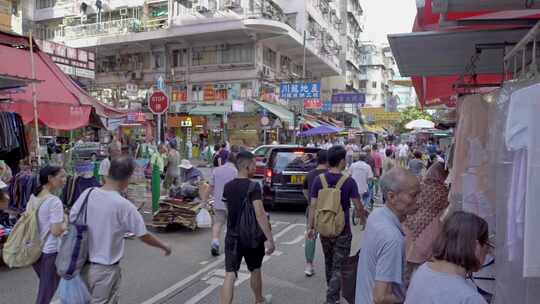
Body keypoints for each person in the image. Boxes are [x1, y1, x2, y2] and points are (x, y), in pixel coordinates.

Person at [71, 156, 171, 304]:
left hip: (79, 264)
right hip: (105, 270)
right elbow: (143, 235)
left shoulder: (88, 193)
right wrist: (164, 246)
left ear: (108, 173)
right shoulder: (123, 205)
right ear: (127, 179)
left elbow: (72, 219)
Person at [308, 146, 366, 304]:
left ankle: (332, 292)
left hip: (324, 228)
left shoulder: (318, 180)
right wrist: (363, 220)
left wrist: (311, 228)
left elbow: (313, 205)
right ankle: (332, 298)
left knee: (329, 262)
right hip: (343, 230)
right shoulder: (348, 181)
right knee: (339, 266)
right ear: (341, 161)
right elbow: (358, 205)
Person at [355, 168, 421, 304]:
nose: (419, 201)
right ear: (391, 197)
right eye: (413, 195)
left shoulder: (377, 215)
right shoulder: (392, 238)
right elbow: (381, 297)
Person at [220, 151, 274, 304]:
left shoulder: (228, 186)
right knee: (255, 269)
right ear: (246, 166)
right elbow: (260, 214)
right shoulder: (254, 186)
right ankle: (259, 300)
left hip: (232, 236)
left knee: (230, 273)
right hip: (251, 237)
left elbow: (228, 211)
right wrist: (269, 239)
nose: (255, 168)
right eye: (254, 164)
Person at [404, 212, 491, 304]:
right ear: (476, 247)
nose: (488, 252)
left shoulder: (423, 270)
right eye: (488, 245)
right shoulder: (470, 298)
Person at [403, 162, 449, 286]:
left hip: (410, 226)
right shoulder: (443, 191)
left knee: (404, 268)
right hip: (430, 231)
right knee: (421, 272)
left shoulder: (418, 186)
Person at [29, 166, 67, 304]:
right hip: (50, 252)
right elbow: (56, 231)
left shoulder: (34, 196)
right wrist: (66, 223)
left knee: (46, 288)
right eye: (61, 176)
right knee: (45, 295)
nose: (65, 180)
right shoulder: (54, 201)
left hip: (35, 250)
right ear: (50, 178)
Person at [302, 149, 329, 277]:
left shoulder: (310, 174)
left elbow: (305, 191)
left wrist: (310, 201)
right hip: (329, 211)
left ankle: (308, 265)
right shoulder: (332, 174)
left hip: (313, 209)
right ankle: (331, 265)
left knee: (310, 235)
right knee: (330, 236)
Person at [207, 147, 238, 256]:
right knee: (232, 225)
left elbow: (210, 187)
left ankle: (215, 242)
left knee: (218, 223)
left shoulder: (217, 170)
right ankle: (230, 246)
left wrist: (204, 201)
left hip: (218, 202)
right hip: (232, 204)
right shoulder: (236, 172)